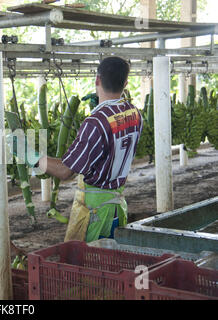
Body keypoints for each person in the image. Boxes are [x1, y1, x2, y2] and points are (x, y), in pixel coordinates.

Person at [10, 56, 143, 243]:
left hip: (95, 213)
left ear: (97, 80)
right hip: (117, 205)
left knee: (86, 264)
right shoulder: (134, 113)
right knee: (111, 258)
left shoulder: (95, 122)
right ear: (126, 83)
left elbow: (65, 171)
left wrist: (30, 155)